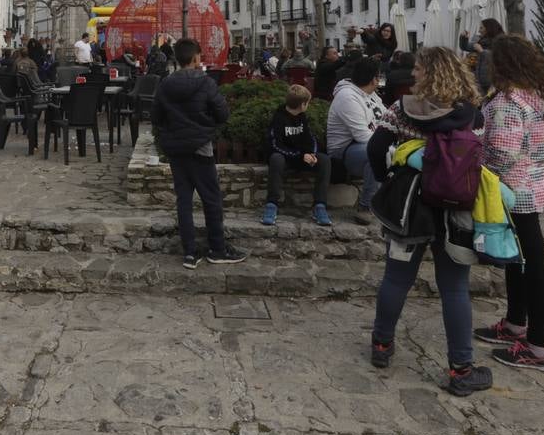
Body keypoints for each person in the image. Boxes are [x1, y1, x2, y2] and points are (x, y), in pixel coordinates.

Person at [365, 46, 491, 396]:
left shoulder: (402, 109)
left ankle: (381, 345)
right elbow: (481, 158)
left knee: (396, 277)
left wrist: (388, 177)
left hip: (409, 207)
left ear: (432, 72)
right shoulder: (472, 115)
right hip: (456, 208)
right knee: (454, 288)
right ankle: (461, 369)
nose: (414, 74)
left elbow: (375, 149)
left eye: (419, 69)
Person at [473, 35, 544, 373]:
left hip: (514, 192)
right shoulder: (534, 96)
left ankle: (538, 347)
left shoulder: (508, 103)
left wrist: (478, 172)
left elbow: (502, 151)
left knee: (532, 265)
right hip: (534, 186)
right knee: (518, 260)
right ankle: (515, 323)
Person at [151, 38, 246, 269]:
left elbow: (156, 117)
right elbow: (222, 114)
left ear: (176, 58)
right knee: (211, 199)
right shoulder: (206, 83)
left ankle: (190, 253)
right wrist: (206, 124)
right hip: (201, 148)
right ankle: (217, 249)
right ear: (196, 58)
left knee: (184, 200)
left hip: (176, 150)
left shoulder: (165, 84)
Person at [262, 84, 334, 227]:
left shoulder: (302, 117)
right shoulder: (278, 118)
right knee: (276, 159)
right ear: (302, 104)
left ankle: (319, 206)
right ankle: (272, 205)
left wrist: (311, 153)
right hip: (286, 158)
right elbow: (275, 146)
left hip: (302, 157)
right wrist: (300, 156)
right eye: (307, 102)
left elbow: (310, 138)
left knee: (324, 160)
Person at [326, 59, 387, 224]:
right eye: (379, 77)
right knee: (378, 153)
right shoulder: (347, 97)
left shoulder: (372, 95)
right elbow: (362, 136)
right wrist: (389, 144)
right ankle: (366, 207)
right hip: (344, 150)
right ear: (374, 79)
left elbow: (388, 119)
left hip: (367, 143)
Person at [461, 18, 505, 92]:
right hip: (479, 80)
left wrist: (482, 51)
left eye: (481, 28)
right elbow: (466, 47)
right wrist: (464, 38)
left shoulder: (500, 43)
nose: (479, 31)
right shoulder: (482, 41)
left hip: (491, 84)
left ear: (488, 29)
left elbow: (496, 60)